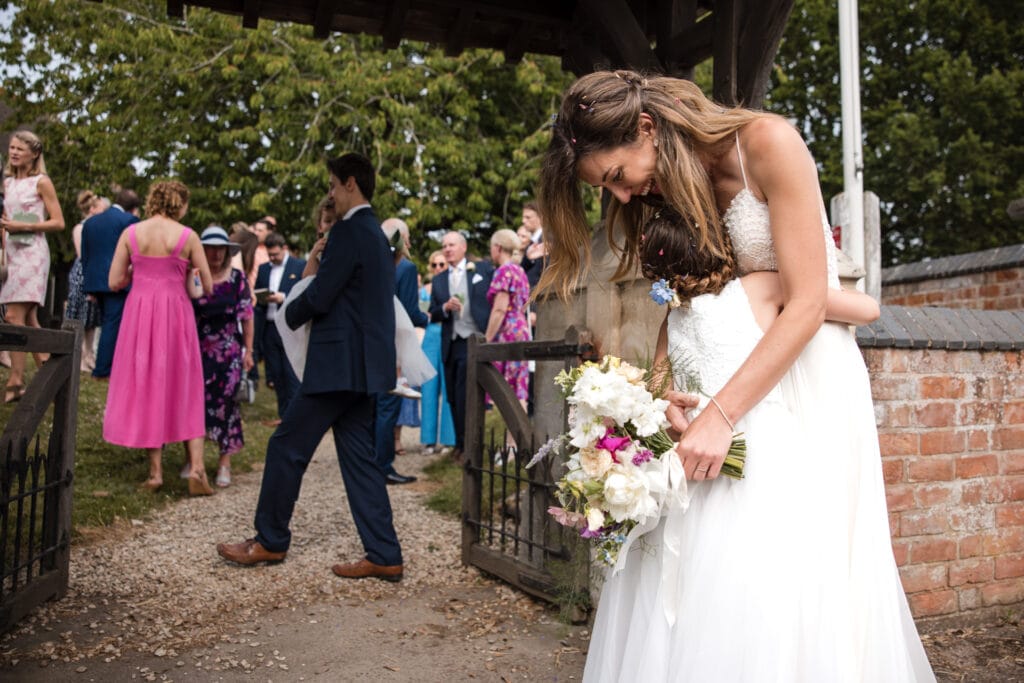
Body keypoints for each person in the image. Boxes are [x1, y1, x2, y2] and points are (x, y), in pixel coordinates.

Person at [538, 70, 934, 681]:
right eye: (607, 188)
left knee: (802, 568)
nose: (621, 197)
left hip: (807, 378)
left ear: (646, 128)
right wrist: (663, 390)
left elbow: (805, 303)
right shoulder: (660, 186)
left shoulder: (768, 145)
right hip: (726, 377)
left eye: (616, 176)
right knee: (717, 563)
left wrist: (722, 414)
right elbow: (681, 303)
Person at [217, 153, 404, 583]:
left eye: (334, 185)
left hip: (337, 365)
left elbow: (322, 294)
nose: (331, 195)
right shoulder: (376, 234)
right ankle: (384, 552)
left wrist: (288, 313)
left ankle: (269, 540)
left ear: (351, 184)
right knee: (360, 459)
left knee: (286, 445)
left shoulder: (351, 231)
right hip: (361, 367)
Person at [102, 180, 215, 496]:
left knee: (147, 384)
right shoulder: (188, 236)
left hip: (140, 314)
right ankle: (196, 469)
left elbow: (113, 281)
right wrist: (187, 273)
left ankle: (154, 474)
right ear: (180, 204)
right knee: (186, 385)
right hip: (176, 316)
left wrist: (136, 275)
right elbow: (207, 286)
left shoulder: (131, 233)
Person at [1, 130, 65, 403]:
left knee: (14, 317)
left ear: (34, 153)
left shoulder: (42, 182)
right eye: (12, 148)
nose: (14, 152)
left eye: (20, 149)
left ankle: (15, 381)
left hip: (33, 254)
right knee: (27, 319)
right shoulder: (7, 183)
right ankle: (51, 376)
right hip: (13, 253)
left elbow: (58, 221)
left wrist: (24, 225)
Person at [190, 226, 254, 488]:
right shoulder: (194, 276)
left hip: (228, 352)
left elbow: (247, 317)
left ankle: (224, 463)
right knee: (195, 404)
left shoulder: (238, 278)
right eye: (210, 248)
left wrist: (249, 351)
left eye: (220, 248)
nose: (215, 253)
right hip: (198, 349)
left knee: (227, 405)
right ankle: (195, 462)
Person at [428, 231, 494, 462]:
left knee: (466, 393)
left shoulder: (482, 270)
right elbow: (433, 313)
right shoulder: (437, 280)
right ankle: (459, 442)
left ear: (463, 247)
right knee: (452, 397)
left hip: (473, 339)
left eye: (451, 245)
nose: (447, 249)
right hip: (451, 342)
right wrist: (444, 307)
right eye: (444, 245)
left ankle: (469, 445)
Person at [375, 217, 429, 485]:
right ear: (403, 240)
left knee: (374, 406)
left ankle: (369, 464)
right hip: (392, 346)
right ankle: (383, 466)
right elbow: (409, 311)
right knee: (388, 406)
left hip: (369, 344)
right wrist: (429, 317)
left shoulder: (370, 265)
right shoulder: (405, 268)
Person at [81, 187, 142, 379]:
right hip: (119, 280)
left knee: (107, 323)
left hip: (94, 280)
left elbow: (85, 254)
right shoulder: (129, 221)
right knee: (112, 325)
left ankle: (108, 365)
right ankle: (102, 370)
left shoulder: (91, 222)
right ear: (133, 208)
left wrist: (88, 284)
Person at [254, 231, 305, 423]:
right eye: (270, 255)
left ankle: (294, 416)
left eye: (275, 254)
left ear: (284, 248)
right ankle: (283, 415)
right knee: (276, 373)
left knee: (290, 372)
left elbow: (303, 292)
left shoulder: (298, 265)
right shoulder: (264, 268)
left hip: (290, 327)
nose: (272, 258)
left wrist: (282, 297)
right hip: (269, 326)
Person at [483, 229, 531, 408]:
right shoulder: (520, 271)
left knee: (504, 390)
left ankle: (509, 436)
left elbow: (500, 309)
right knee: (518, 388)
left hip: (507, 332)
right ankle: (517, 437)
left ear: (498, 247)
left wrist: (486, 340)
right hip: (521, 328)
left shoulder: (504, 271)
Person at [418, 251, 457, 453]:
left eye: (441, 264)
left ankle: (449, 440)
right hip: (430, 339)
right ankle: (428, 440)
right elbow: (423, 316)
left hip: (448, 336)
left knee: (448, 386)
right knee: (429, 390)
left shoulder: (455, 285)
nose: (438, 268)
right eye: (434, 265)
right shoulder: (424, 290)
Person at [66, 190, 107, 373]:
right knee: (81, 316)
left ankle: (90, 355)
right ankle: (80, 357)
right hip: (83, 274)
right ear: (91, 209)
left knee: (92, 317)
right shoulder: (81, 228)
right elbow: (83, 255)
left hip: (94, 272)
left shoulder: (96, 228)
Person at [518, 201, 546, 290]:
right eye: (523, 217)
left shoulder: (549, 240)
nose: (523, 221)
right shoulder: (531, 243)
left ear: (541, 218)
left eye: (528, 217)